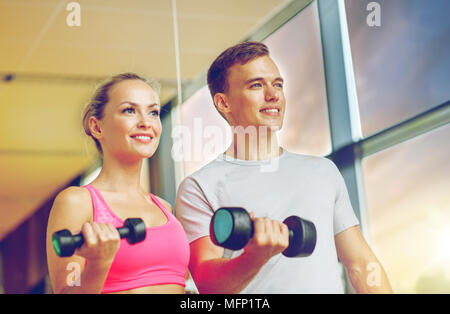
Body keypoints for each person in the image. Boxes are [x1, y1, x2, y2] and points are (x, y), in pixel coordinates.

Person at [175, 42, 392, 293]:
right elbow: (208, 285)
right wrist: (255, 257)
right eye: (256, 85)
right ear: (224, 103)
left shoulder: (322, 171)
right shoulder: (200, 186)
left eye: (277, 84)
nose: (273, 95)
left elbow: (361, 265)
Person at [46, 73, 190, 294]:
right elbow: (67, 289)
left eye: (153, 112)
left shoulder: (165, 208)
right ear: (97, 127)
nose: (145, 123)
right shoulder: (77, 202)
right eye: (129, 110)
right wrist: (98, 264)